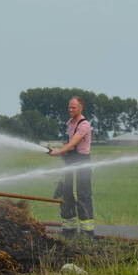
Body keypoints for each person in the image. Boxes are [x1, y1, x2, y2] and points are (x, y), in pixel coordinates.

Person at [49, 96, 94, 238]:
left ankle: (87, 232)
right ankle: (69, 230)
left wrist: (58, 152)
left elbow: (73, 143)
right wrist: (59, 152)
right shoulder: (70, 123)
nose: (70, 109)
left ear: (81, 108)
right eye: (69, 107)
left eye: (73, 107)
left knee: (83, 195)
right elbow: (69, 146)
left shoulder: (84, 124)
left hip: (82, 162)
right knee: (66, 193)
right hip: (70, 161)